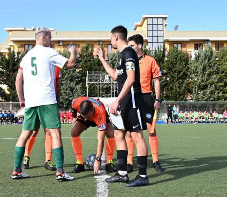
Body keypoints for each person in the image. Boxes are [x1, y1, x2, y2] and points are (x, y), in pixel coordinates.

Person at [11, 27, 77, 181]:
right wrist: (73, 51)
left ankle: (17, 170)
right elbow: (70, 64)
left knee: (25, 134)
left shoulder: (26, 57)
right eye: (50, 38)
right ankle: (60, 172)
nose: (51, 41)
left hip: (31, 100)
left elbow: (18, 80)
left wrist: (21, 98)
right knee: (55, 133)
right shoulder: (48, 52)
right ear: (43, 38)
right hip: (47, 99)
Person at [97, 25, 149, 187]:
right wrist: (102, 59)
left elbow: (131, 78)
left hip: (132, 100)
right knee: (119, 135)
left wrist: (117, 100)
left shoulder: (129, 53)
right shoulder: (122, 55)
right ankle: (122, 173)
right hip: (123, 101)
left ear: (116, 37)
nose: (110, 40)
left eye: (111, 38)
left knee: (137, 136)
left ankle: (142, 176)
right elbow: (115, 76)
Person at [126, 33, 164, 173]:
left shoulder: (151, 61)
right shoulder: (128, 61)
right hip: (131, 97)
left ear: (140, 46)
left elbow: (157, 80)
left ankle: (155, 161)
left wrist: (158, 99)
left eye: (132, 46)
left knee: (151, 130)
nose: (130, 48)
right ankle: (129, 163)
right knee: (131, 132)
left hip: (146, 98)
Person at [22, 66, 62, 171]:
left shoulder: (57, 67)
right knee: (33, 131)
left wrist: (56, 100)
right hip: (35, 100)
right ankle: (26, 157)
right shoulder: (36, 62)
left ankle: (48, 161)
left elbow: (58, 85)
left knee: (48, 131)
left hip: (49, 101)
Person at [70, 97, 117, 174]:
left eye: (87, 117)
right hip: (88, 114)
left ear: (92, 111)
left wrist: (98, 159)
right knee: (74, 132)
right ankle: (79, 162)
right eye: (83, 116)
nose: (85, 119)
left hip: (99, 116)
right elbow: (73, 109)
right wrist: (75, 119)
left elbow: (100, 141)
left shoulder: (100, 112)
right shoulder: (76, 102)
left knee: (111, 133)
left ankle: (109, 162)